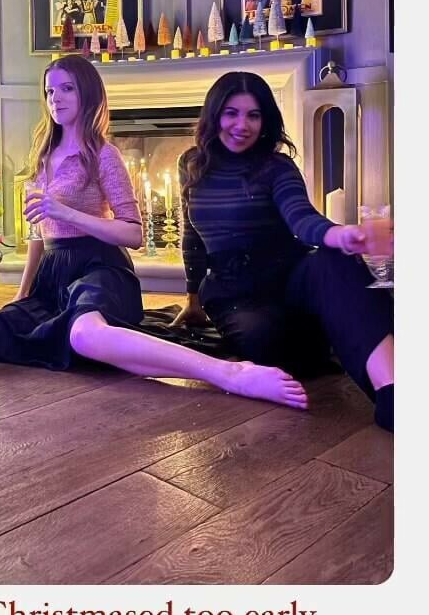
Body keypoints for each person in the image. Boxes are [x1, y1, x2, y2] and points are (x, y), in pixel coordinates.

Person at [0, 56, 312, 411]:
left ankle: (229, 373)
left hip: (99, 267)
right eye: (50, 91)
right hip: (54, 273)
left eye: (67, 88)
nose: (55, 98)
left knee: (84, 334)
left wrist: (65, 212)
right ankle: (108, 343)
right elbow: (39, 236)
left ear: (88, 93)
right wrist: (23, 293)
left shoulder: (104, 155)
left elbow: (133, 233)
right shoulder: (43, 156)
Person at [167, 72, 394, 430]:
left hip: (288, 279)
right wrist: (192, 299)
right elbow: (192, 235)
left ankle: (394, 392)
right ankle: (334, 335)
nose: (242, 125)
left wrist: (341, 235)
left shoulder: (276, 166)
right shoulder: (192, 163)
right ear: (214, 114)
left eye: (253, 115)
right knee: (267, 344)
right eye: (231, 113)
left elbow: (301, 218)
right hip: (232, 293)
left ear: (265, 121)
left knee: (335, 260)